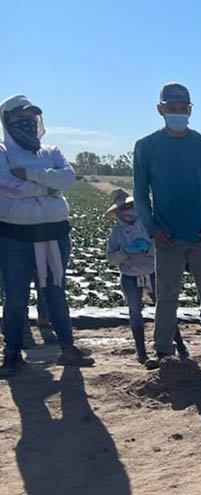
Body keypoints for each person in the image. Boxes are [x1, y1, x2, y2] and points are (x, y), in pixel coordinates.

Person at [133, 82, 201, 366]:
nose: (177, 113)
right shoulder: (146, 146)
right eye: (171, 108)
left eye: (182, 108)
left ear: (190, 110)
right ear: (160, 109)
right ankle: (163, 349)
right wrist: (152, 228)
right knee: (166, 295)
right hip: (167, 236)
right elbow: (140, 193)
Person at [0, 94, 94, 377]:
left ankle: (68, 348)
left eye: (32, 117)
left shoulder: (51, 151)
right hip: (14, 238)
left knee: (55, 292)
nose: (28, 122)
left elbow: (68, 178)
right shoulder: (2, 152)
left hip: (54, 235)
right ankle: (13, 354)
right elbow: (6, 185)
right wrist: (47, 186)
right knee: (15, 297)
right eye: (21, 117)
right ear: (8, 120)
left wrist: (29, 176)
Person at [105, 188, 187, 365]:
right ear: (118, 212)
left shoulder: (149, 225)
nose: (128, 210)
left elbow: (162, 246)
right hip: (130, 276)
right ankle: (141, 352)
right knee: (135, 312)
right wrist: (125, 251)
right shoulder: (116, 233)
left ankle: (180, 345)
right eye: (123, 208)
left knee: (164, 307)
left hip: (152, 272)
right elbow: (111, 258)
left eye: (130, 206)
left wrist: (148, 249)